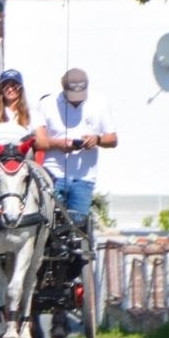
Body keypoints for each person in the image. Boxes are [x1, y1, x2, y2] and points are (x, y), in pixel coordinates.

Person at [35, 68, 116, 227]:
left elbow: (113, 139)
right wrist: (58, 144)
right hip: (53, 176)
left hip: (84, 178)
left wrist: (97, 139)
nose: (76, 101)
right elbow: (38, 142)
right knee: (47, 224)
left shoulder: (100, 102)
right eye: (72, 96)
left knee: (78, 228)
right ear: (63, 88)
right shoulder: (46, 104)